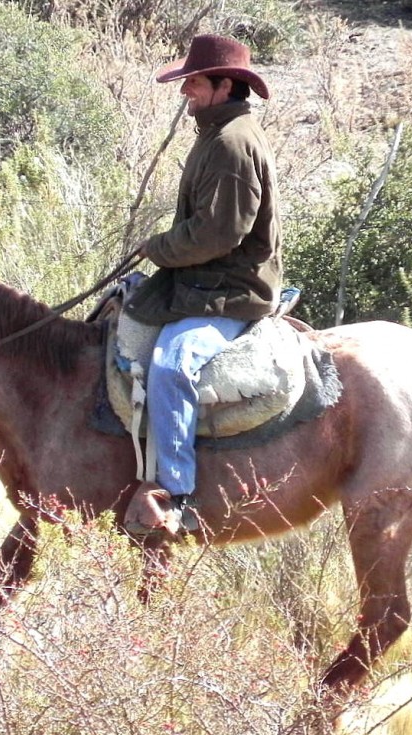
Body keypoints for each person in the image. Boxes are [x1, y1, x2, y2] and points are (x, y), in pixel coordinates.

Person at [122, 33, 282, 537]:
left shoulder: (232, 144)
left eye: (194, 81)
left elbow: (220, 233)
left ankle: (176, 495)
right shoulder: (219, 134)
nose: (185, 89)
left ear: (224, 84)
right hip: (205, 282)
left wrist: (160, 248)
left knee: (171, 365)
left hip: (230, 293)